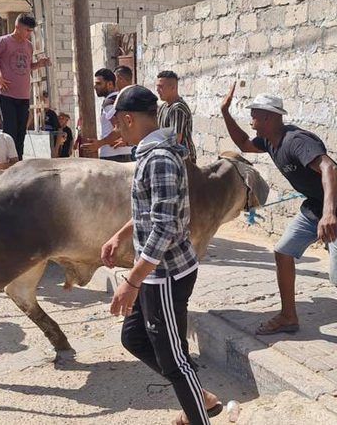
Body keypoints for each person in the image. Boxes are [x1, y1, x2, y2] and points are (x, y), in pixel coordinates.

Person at [221, 84, 337, 335]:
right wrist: (224, 112)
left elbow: (329, 169)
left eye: (255, 113)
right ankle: (288, 317)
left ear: (269, 116)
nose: (251, 117)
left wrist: (330, 213)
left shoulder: (295, 141)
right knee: (283, 252)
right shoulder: (268, 140)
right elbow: (243, 143)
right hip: (314, 208)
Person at [100, 85, 221, 425]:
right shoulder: (151, 153)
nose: (116, 131)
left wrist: (132, 281)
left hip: (164, 275)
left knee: (174, 360)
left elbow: (166, 228)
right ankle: (201, 397)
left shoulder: (160, 159)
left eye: (117, 124)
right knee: (133, 337)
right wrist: (120, 235)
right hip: (153, 273)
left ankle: (199, 409)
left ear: (127, 118)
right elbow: (153, 211)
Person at [0, 13, 50, 161]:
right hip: (7, 95)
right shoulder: (4, 41)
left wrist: (40, 64)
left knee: (21, 132)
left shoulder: (29, 46)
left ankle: (18, 161)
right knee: (10, 131)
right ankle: (7, 162)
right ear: (17, 27)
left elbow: (27, 66)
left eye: (31, 31)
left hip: (24, 96)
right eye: (27, 30)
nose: (29, 34)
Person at [82, 68, 132, 162]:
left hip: (112, 155)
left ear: (109, 84)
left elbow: (120, 127)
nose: (95, 87)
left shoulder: (110, 102)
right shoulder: (122, 98)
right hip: (125, 154)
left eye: (99, 83)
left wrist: (99, 143)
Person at [156, 70, 196, 164]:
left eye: (161, 87)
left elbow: (176, 139)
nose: (157, 90)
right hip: (169, 156)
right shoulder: (163, 106)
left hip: (183, 159)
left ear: (173, 88)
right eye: (157, 86)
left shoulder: (178, 108)